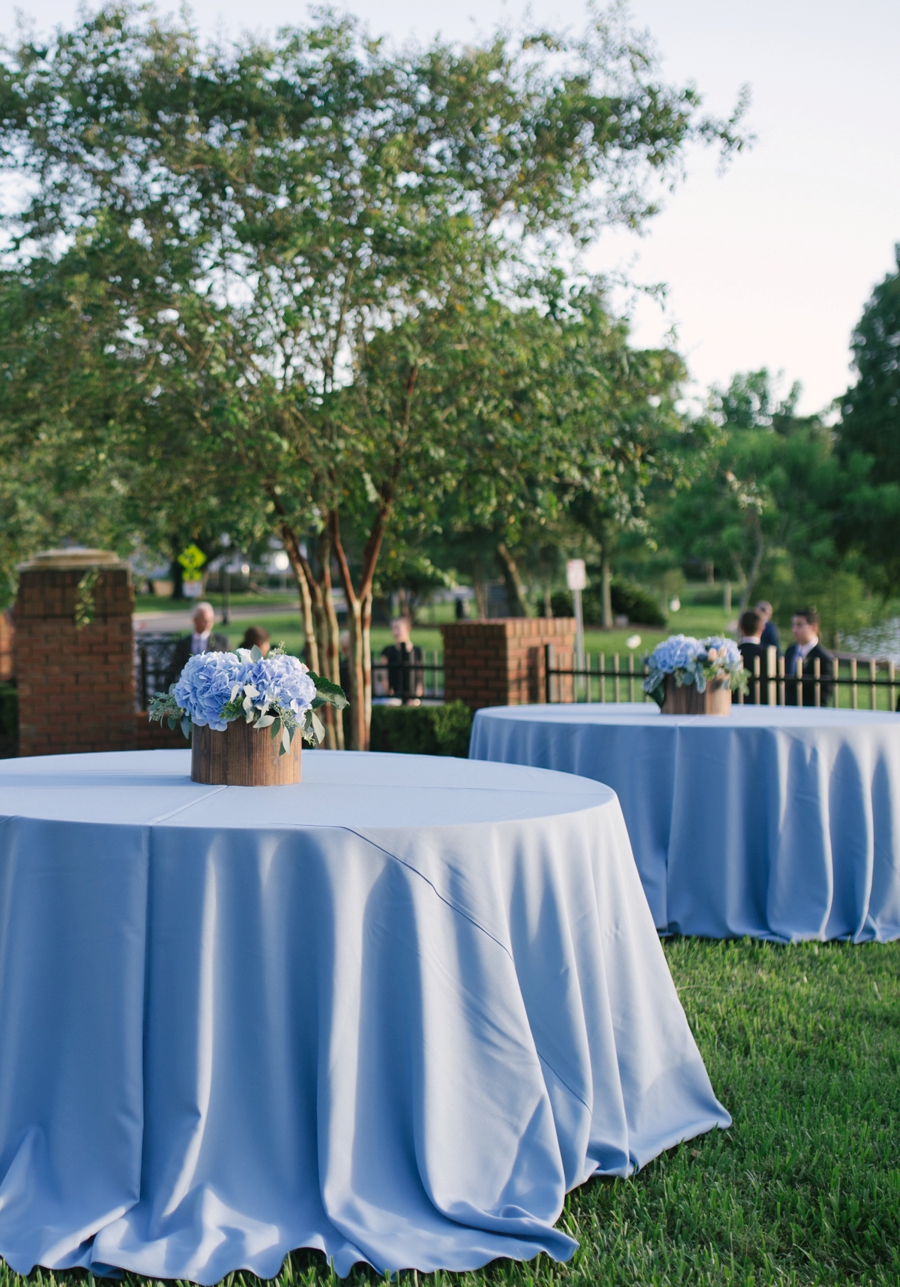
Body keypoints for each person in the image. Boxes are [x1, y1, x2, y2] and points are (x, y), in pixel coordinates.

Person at [167, 602, 230, 685]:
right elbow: (175, 667)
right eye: (204, 620)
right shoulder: (184, 643)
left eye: (210, 620)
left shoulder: (222, 641)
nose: (207, 624)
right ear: (195, 620)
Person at [784, 607, 833, 706]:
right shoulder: (790, 651)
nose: (794, 629)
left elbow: (823, 697)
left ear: (814, 627)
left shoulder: (823, 658)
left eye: (799, 625)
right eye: (793, 625)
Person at [380, 616, 424, 704]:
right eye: (393, 628)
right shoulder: (387, 652)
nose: (394, 632)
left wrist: (417, 695)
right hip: (393, 697)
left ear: (407, 629)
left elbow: (420, 676)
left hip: (413, 698)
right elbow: (383, 675)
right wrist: (388, 691)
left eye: (397, 628)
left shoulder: (417, 651)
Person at [738, 609, 770, 704]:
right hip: (764, 705)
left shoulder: (733, 653)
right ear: (762, 628)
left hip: (736, 705)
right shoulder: (769, 654)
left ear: (741, 628)